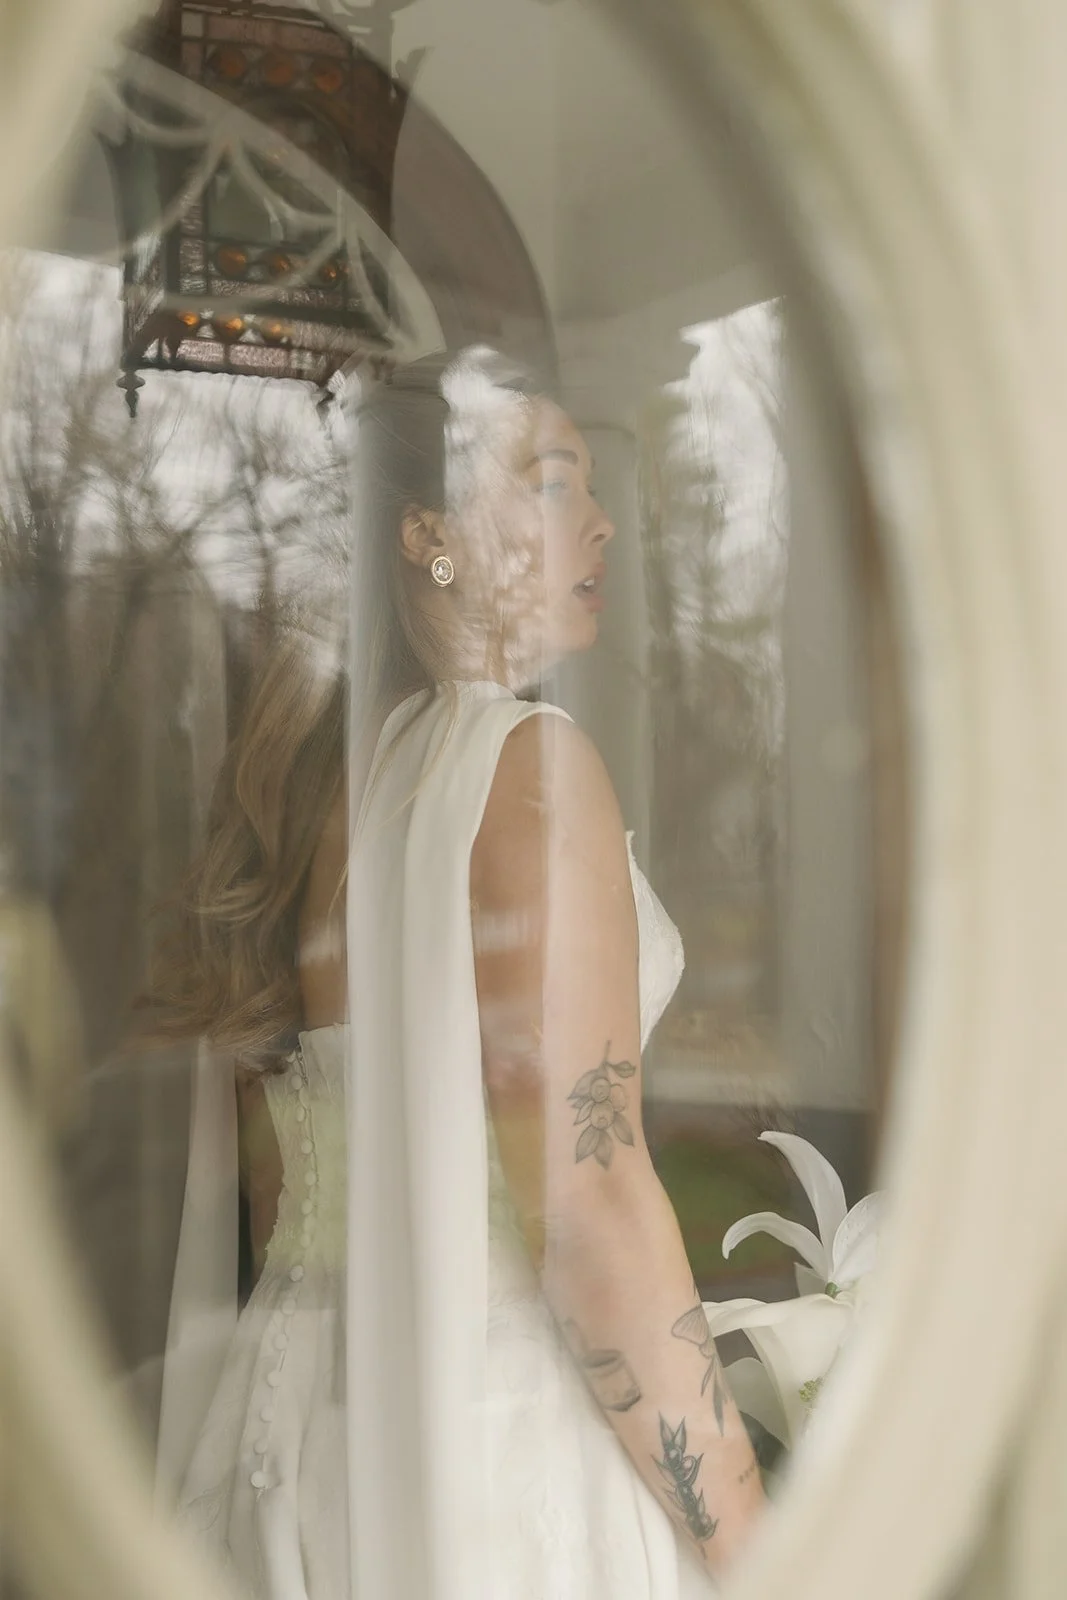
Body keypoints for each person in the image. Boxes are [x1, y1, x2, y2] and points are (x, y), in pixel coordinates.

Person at [149, 348, 765, 1600]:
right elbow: (585, 1207)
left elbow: (279, 1195)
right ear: (429, 539)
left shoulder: (327, 790)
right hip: (487, 1427)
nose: (598, 522)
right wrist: (758, 1544)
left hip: (286, 1424)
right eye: (547, 483)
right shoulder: (526, 766)